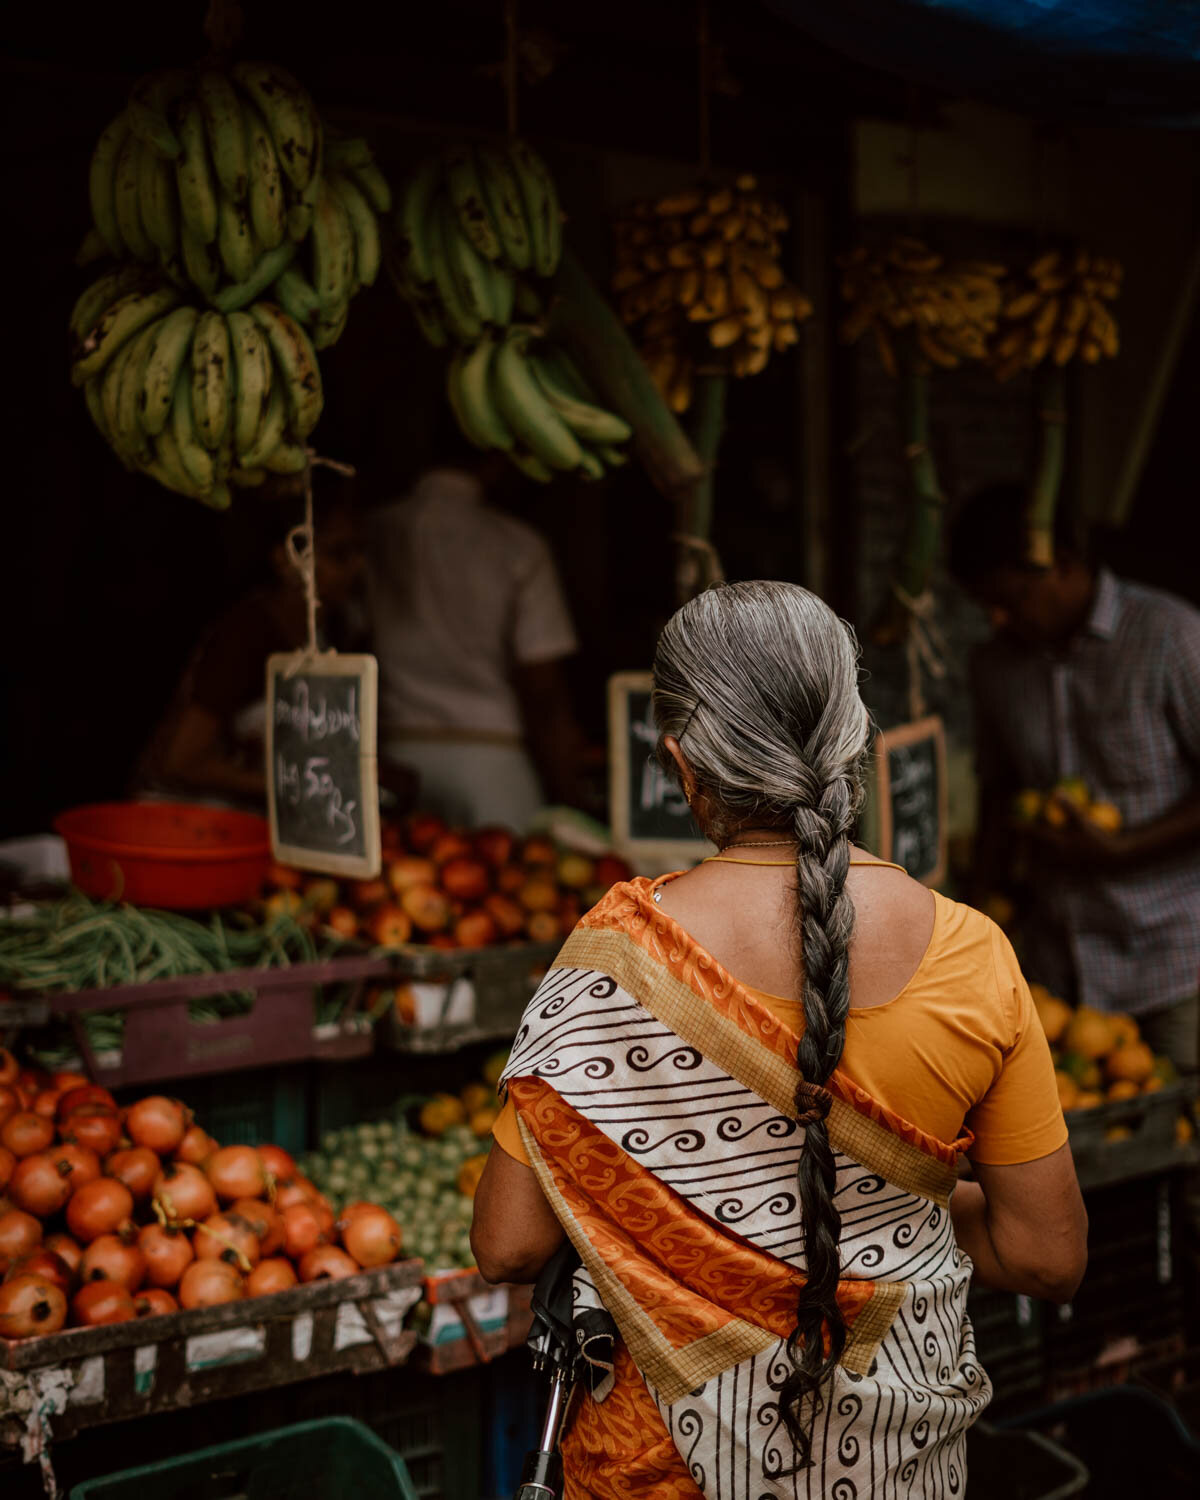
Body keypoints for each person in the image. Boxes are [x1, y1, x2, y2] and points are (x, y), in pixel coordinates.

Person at [472, 580, 1086, 1496]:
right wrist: (886, 1210)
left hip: (661, 1469)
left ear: (682, 764)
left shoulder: (613, 959)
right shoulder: (973, 953)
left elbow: (507, 1247)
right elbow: (1045, 1255)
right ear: (852, 740)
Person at [949, 482, 1200, 1087]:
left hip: (1175, 958)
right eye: (987, 606)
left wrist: (1126, 849)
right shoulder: (996, 665)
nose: (998, 619)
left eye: (1008, 599)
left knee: (1180, 1146)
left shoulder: (1171, 637)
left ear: (1059, 562)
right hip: (1057, 959)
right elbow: (998, 788)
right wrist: (981, 915)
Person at [366, 447, 586, 830]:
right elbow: (543, 687)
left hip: (396, 752)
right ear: (498, 458)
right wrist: (570, 791)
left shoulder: (374, 532)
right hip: (493, 761)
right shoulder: (517, 544)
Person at [132, 479, 367, 809]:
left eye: (360, 550)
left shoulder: (335, 631)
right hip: (186, 819)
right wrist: (297, 787)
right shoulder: (247, 634)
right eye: (339, 554)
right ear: (285, 560)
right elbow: (180, 760)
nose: (357, 566)